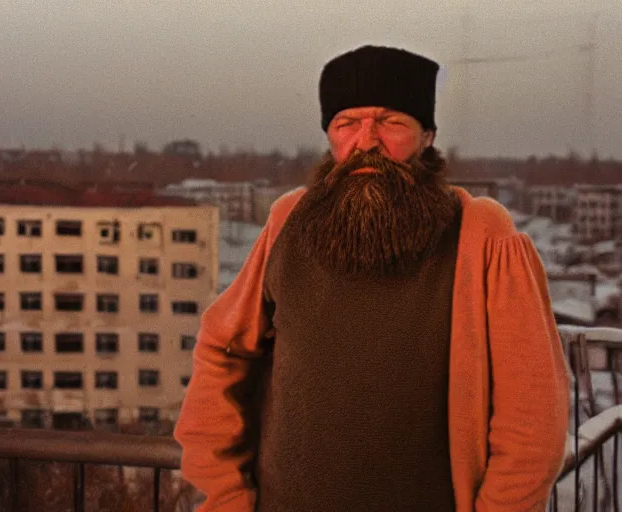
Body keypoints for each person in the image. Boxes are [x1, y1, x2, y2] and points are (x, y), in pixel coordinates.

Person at [174, 44, 570, 512]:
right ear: (330, 138)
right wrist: (226, 498)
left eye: (391, 121)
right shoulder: (289, 221)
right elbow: (222, 351)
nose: (367, 141)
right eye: (347, 123)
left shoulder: (481, 235)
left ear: (427, 136)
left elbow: (532, 420)